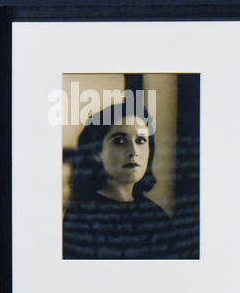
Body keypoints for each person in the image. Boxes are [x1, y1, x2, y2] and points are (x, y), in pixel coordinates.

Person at [62, 103, 197, 259]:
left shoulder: (154, 214)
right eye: (120, 141)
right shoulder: (82, 218)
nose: (133, 152)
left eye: (140, 141)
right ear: (97, 152)